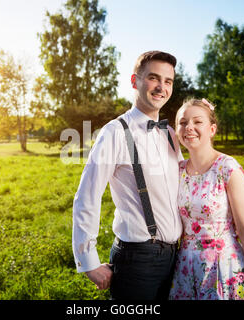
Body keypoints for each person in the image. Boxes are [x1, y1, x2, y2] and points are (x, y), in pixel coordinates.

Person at [72, 51, 183, 300]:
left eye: (168, 81)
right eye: (154, 78)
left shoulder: (170, 134)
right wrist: (89, 261)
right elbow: (87, 197)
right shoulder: (114, 132)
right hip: (137, 261)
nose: (161, 87)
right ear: (135, 81)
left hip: (176, 258)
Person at [169, 98, 244, 300]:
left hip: (223, 267)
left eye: (197, 122)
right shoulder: (177, 170)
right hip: (185, 270)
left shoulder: (228, 168)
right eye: (182, 122)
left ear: (212, 129)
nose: (189, 127)